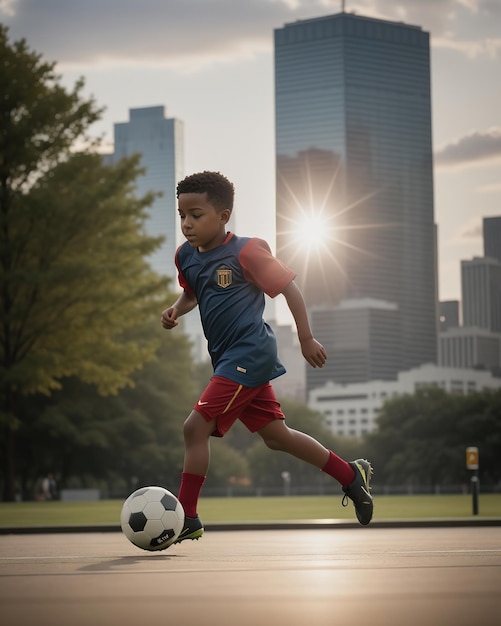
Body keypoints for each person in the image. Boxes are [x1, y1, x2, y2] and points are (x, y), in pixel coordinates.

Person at [161, 171, 373, 543]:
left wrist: (306, 338)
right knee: (277, 437)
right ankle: (350, 475)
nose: (187, 224)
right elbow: (193, 293)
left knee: (194, 427)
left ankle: (187, 517)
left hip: (251, 352)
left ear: (223, 216)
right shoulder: (185, 257)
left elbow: (290, 288)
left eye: (196, 215)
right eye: (182, 216)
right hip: (227, 358)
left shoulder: (246, 251)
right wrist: (176, 309)